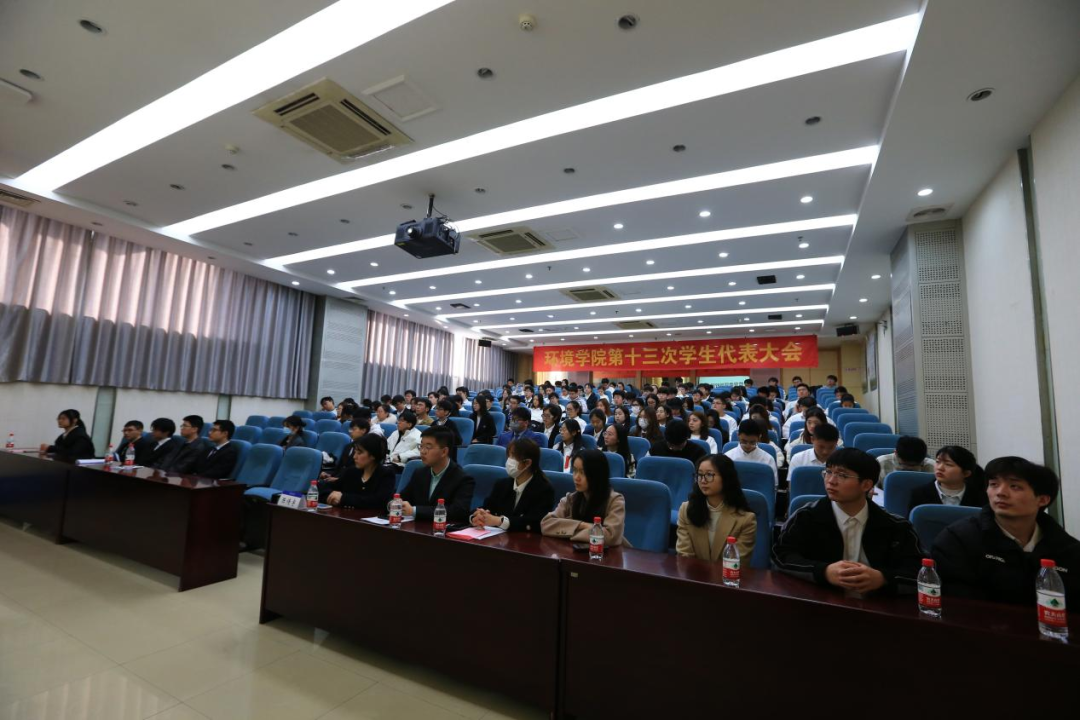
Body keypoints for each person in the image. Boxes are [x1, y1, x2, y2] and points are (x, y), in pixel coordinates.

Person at [773, 448, 924, 596]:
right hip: (820, 600)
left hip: (877, 604)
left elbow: (919, 571)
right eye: (828, 472)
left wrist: (883, 578)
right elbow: (780, 555)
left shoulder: (896, 526)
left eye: (842, 475)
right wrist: (824, 571)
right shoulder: (805, 517)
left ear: (866, 485)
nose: (831, 481)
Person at [932, 457, 1080, 604]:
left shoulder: (1068, 549)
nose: (1000, 493)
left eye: (1015, 486)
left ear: (1042, 500)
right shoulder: (958, 539)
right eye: (994, 484)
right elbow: (958, 604)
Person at [541, 450, 626, 546]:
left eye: (583, 472)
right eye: (575, 471)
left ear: (597, 475)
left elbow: (610, 536)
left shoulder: (615, 501)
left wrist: (568, 529)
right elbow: (546, 524)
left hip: (607, 554)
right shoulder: (571, 498)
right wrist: (583, 525)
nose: (576, 477)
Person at [471, 438, 556, 533]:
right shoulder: (502, 484)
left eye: (513, 456)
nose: (509, 460)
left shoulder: (544, 490)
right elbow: (488, 508)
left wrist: (500, 521)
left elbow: (534, 523)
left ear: (527, 463)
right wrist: (477, 516)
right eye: (509, 456)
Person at [399, 426, 475, 524]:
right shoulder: (419, 473)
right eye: (421, 446)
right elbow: (402, 497)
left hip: (444, 530)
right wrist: (394, 503)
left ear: (444, 452)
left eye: (428, 447)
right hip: (417, 528)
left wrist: (414, 510)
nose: (422, 451)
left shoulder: (463, 479)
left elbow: (458, 512)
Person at [319, 433, 395, 509]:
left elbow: (379, 502)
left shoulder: (386, 474)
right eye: (355, 452)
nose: (354, 456)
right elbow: (321, 488)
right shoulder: (351, 472)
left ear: (372, 455)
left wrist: (343, 498)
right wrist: (332, 497)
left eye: (359, 453)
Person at [909, 445, 988, 509]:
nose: (940, 468)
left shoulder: (980, 498)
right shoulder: (919, 494)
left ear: (966, 473)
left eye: (948, 464)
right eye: (938, 462)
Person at [724, 420, 778, 486]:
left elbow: (773, 486)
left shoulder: (768, 459)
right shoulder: (728, 457)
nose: (748, 446)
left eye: (752, 442)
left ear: (759, 437)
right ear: (738, 435)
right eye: (744, 441)